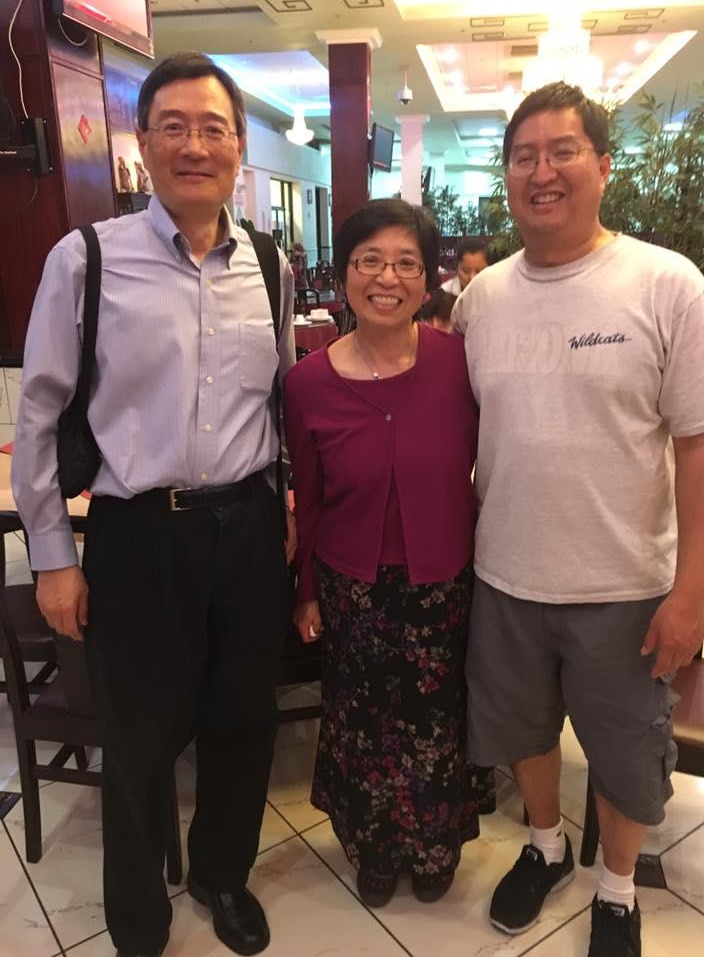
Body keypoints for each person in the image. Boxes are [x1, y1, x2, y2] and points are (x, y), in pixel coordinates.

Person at [12, 53, 296, 957]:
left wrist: (285, 506)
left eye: (213, 128)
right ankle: (137, 910)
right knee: (136, 734)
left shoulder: (271, 263)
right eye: (173, 125)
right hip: (138, 533)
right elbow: (42, 411)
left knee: (242, 718)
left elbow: (280, 399)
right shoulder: (85, 258)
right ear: (144, 144)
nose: (194, 145)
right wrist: (55, 556)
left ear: (240, 149)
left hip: (247, 526)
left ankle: (222, 875)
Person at [453, 81, 704, 957]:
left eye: (563, 151)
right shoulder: (480, 302)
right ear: (508, 176)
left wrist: (692, 595)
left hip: (626, 586)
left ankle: (615, 894)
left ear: (604, 166)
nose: (543, 171)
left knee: (625, 752)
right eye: (524, 155)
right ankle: (545, 848)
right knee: (523, 733)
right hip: (506, 575)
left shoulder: (666, 286)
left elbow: (699, 449)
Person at [284, 198, 481, 908]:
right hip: (350, 583)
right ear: (344, 276)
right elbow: (306, 496)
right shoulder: (307, 383)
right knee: (363, 721)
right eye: (370, 261)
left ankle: (433, 847)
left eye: (406, 263)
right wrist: (306, 591)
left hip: (443, 579)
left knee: (435, 718)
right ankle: (371, 848)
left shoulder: (460, 365)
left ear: (428, 282)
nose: (387, 277)